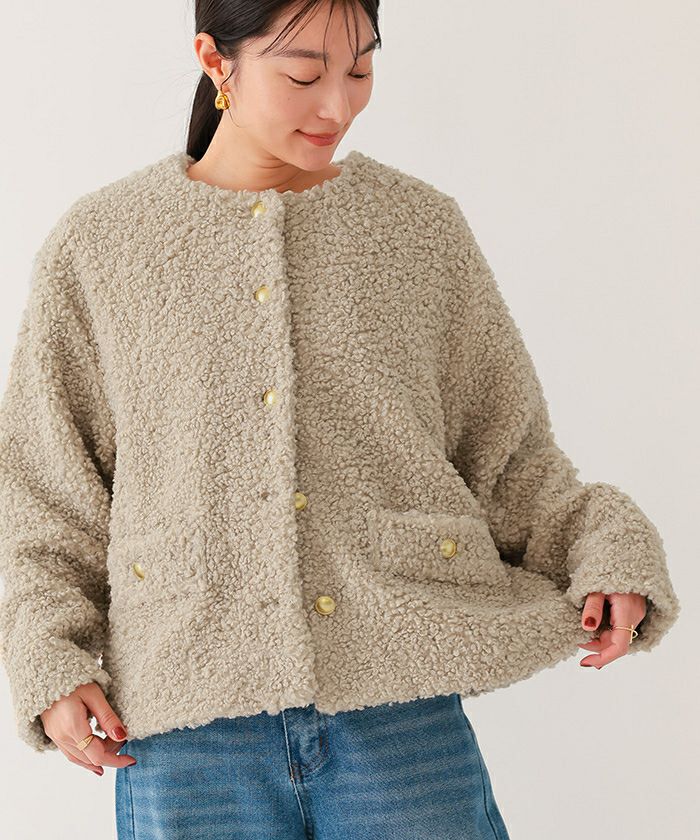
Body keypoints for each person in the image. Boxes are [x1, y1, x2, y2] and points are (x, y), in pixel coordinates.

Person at [0, 1, 680, 838]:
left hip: (400, 709)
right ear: (215, 60)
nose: (338, 105)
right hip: (187, 728)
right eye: (303, 74)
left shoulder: (418, 230)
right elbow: (44, 491)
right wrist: (50, 658)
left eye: (360, 68)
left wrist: (604, 551)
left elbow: (508, 460)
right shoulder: (102, 245)